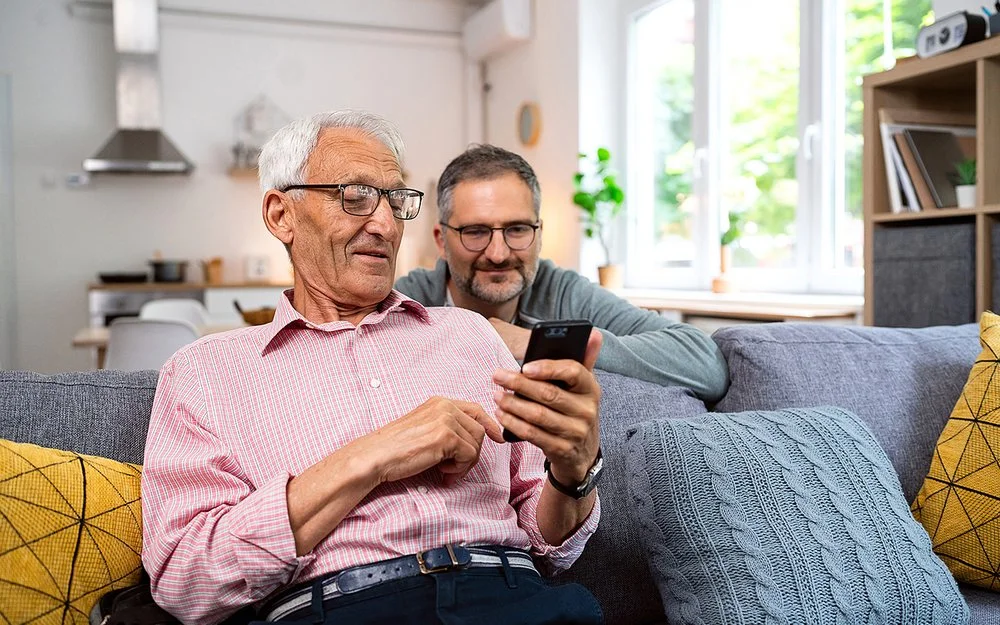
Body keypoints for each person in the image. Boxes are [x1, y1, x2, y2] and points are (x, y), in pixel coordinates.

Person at [140, 111, 605, 625]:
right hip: (339, 610)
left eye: (395, 200)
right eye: (355, 195)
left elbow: (549, 544)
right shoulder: (203, 372)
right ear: (280, 215)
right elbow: (185, 582)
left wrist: (573, 471)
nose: (384, 224)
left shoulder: (470, 334)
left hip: (512, 595)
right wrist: (376, 454)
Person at [395, 145, 728, 402]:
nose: (498, 253)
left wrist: (538, 344)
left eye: (517, 229)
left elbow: (704, 361)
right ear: (442, 241)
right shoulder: (407, 301)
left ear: (539, 233)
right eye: (476, 232)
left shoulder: (563, 291)